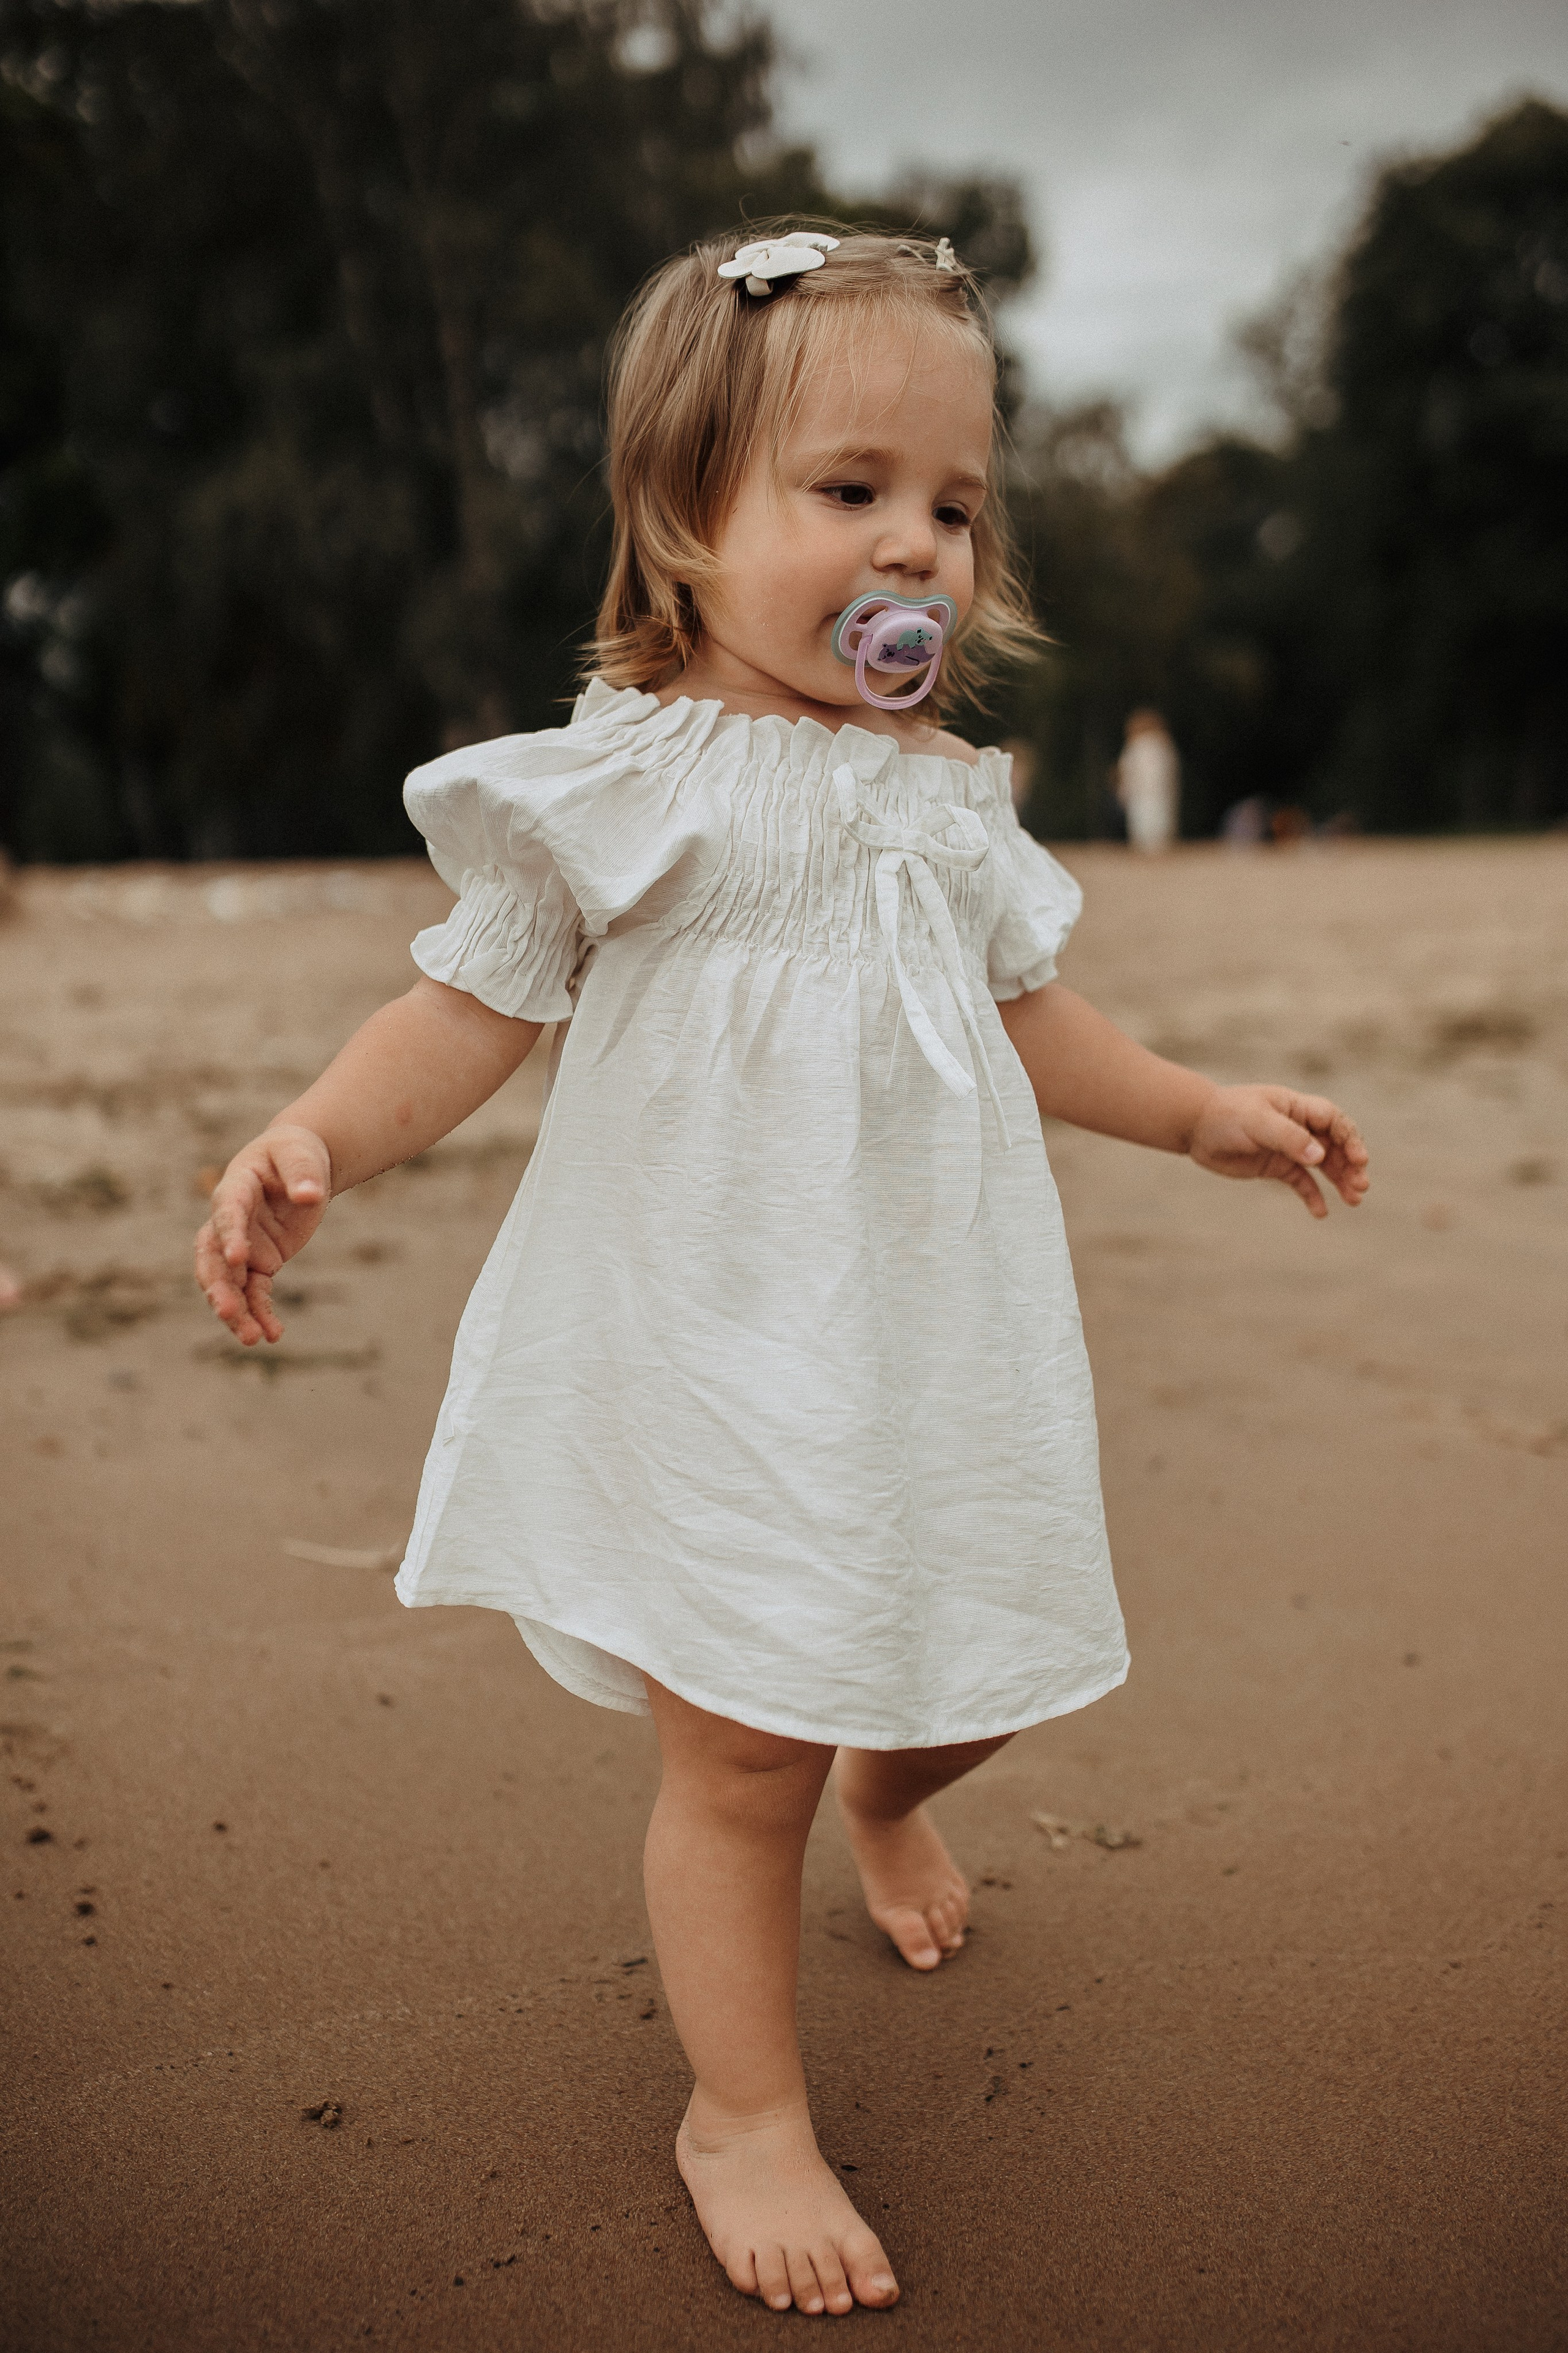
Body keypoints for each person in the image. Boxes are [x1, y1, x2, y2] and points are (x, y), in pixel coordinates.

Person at [195, 226, 1370, 2320]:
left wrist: (1196, 1110)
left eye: (955, 505)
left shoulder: (949, 803)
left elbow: (1030, 1015)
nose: (916, 544)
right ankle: (740, 2111)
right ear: (684, 513)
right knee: (742, 1752)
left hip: (932, 1334)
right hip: (710, 1339)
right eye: (851, 490)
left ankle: (891, 1801)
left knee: (982, 1669)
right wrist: (318, 1140)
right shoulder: (623, 779)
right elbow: (469, 1007)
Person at [1115, 707, 1180, 852]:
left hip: (1143, 797)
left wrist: (1123, 792)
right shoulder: (1164, 746)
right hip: (1158, 797)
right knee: (1158, 836)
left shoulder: (1136, 747)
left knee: (1145, 834)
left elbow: (1127, 773)